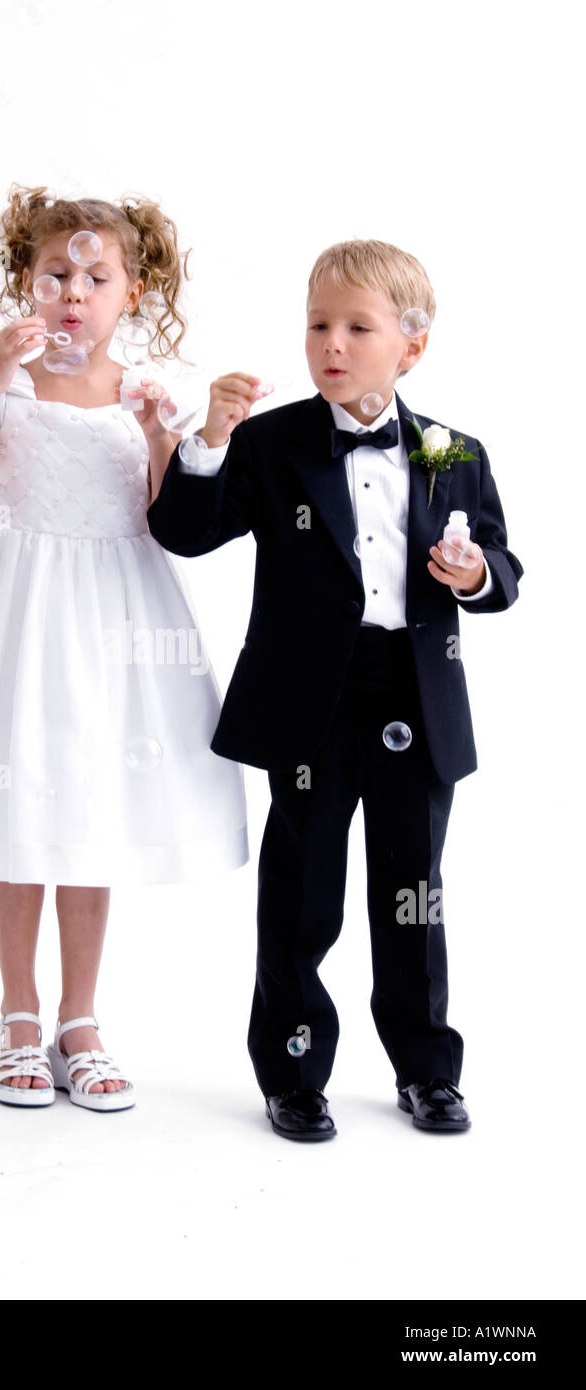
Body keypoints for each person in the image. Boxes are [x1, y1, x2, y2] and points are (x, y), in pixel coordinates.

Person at [0, 184, 248, 1112]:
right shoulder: (12, 385)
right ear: (26, 287)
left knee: (93, 813)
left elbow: (166, 527)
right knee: (22, 800)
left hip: (117, 619)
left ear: (134, 291)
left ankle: (82, 1019)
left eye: (96, 275)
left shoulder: (142, 397)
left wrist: (171, 435)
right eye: (54, 274)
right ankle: (19, 1016)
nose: (73, 290)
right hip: (20, 617)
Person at [146, 238, 523, 1140]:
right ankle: (293, 1073)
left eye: (358, 326)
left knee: (414, 890)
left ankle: (426, 1069)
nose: (332, 343)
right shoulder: (272, 443)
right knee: (301, 892)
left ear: (412, 346)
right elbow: (184, 533)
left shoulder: (452, 452)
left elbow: (505, 571)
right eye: (318, 323)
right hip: (310, 697)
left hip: (415, 696)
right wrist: (207, 442)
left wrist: (471, 574)